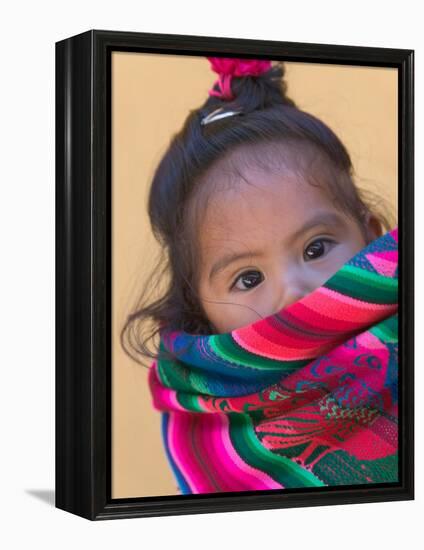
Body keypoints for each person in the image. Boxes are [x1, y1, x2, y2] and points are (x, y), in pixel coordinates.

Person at [121, 57, 398, 495]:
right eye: (248, 279)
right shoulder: (211, 427)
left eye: (315, 248)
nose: (293, 292)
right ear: (201, 310)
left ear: (373, 236)